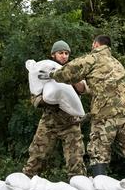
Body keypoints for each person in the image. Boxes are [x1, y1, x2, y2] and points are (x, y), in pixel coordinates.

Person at [49, 34, 125, 178]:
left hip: (105, 113)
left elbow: (68, 72)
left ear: (96, 45)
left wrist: (52, 74)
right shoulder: (117, 63)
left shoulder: (92, 58)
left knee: (98, 151)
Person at [24, 40, 85, 179]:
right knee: (35, 158)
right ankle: (25, 185)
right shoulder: (43, 70)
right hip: (49, 121)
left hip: (71, 123)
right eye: (60, 53)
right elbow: (35, 98)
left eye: (66, 53)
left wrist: (70, 77)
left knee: (76, 162)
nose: (64, 56)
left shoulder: (74, 70)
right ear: (53, 55)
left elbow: (83, 88)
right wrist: (47, 101)